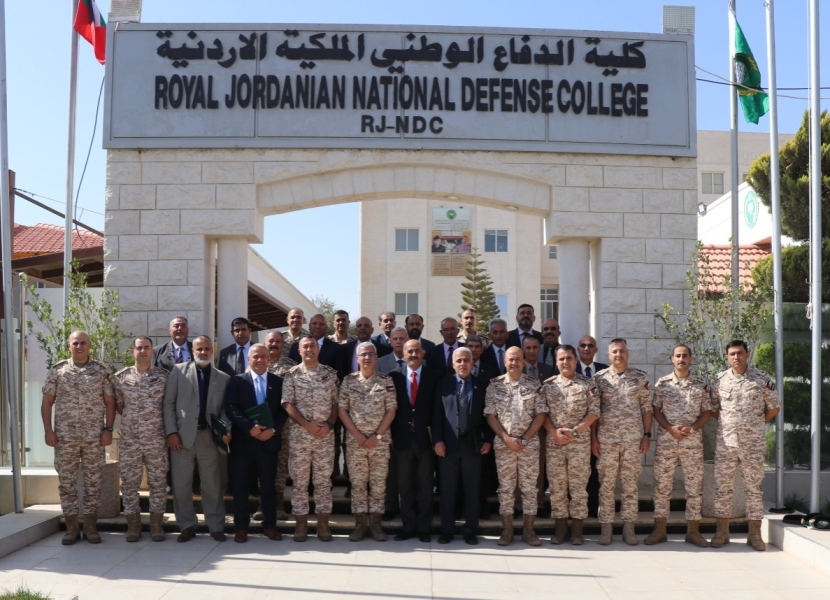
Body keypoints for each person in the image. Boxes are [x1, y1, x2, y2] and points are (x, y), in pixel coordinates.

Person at [41, 330, 115, 545]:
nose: (79, 346)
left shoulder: (101, 370)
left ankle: (90, 528)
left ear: (89, 345)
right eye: (75, 343)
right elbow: (47, 402)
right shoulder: (58, 370)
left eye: (83, 343)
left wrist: (108, 429)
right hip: (65, 439)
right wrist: (48, 430)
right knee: (67, 485)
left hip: (94, 438)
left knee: (94, 484)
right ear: (69, 346)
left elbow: (110, 401)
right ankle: (72, 528)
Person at [710, 340, 779, 551]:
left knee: (754, 489)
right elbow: (713, 409)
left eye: (740, 353)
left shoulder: (762, 379)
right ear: (727, 356)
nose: (736, 357)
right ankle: (722, 532)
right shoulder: (719, 380)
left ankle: (754, 534)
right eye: (732, 354)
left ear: (747, 354)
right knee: (723, 488)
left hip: (753, 444)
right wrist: (730, 425)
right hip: (727, 443)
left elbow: (774, 408)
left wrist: (755, 426)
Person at [163, 335, 231, 543]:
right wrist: (172, 432)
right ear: (193, 351)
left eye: (207, 349)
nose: (203, 352)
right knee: (181, 484)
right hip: (182, 437)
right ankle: (186, 525)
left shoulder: (223, 377)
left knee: (212, 484)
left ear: (213, 350)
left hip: (209, 438)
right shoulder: (178, 371)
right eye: (199, 349)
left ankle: (216, 526)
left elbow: (225, 409)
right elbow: (168, 403)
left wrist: (226, 428)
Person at [645, 344, 713, 547]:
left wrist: (692, 429)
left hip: (692, 442)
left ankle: (693, 531)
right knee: (662, 487)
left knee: (694, 488)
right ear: (672, 359)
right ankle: (660, 530)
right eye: (678, 356)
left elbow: (708, 411)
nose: (681, 359)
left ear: (690, 359)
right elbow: (656, 410)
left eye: (685, 356)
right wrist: (670, 428)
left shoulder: (700, 384)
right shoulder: (663, 383)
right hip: (667, 442)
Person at [591, 338, 652, 546]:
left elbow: (646, 409)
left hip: (632, 441)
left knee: (630, 486)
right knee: (606, 486)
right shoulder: (599, 378)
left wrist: (647, 435)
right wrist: (593, 438)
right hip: (606, 441)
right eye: (615, 351)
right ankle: (606, 528)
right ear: (608, 355)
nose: (619, 355)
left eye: (622, 351)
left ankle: (629, 528)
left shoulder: (640, 378)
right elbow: (595, 411)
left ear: (628, 353)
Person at [485, 346, 548, 547]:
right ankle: (507, 530)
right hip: (505, 446)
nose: (514, 363)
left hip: (528, 446)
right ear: (505, 362)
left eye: (518, 359)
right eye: (510, 359)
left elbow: (541, 413)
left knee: (530, 489)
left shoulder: (534, 384)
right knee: (506, 488)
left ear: (523, 361)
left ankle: (529, 531)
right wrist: (507, 439)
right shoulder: (494, 385)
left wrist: (525, 438)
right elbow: (490, 415)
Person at [225, 344, 288, 543]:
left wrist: (273, 430)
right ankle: (241, 527)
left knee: (268, 486)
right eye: (255, 357)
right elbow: (231, 407)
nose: (259, 360)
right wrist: (249, 427)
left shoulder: (278, 382)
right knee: (240, 486)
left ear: (269, 359)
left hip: (268, 442)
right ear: (249, 359)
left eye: (263, 356)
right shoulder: (237, 381)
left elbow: (284, 410)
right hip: (243, 442)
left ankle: (270, 526)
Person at [281, 336, 339, 541]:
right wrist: (307, 425)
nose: (309, 349)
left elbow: (336, 403)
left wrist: (330, 424)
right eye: (305, 346)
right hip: (300, 438)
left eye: (312, 346)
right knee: (300, 482)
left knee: (323, 482)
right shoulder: (291, 375)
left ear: (318, 349)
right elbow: (287, 404)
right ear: (299, 351)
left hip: (324, 436)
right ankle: (301, 525)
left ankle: (323, 525)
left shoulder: (330, 374)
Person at [112, 336, 169, 543]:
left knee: (158, 483)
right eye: (139, 348)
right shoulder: (121, 377)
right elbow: (119, 405)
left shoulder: (164, 377)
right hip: (130, 440)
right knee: (129, 483)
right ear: (132, 352)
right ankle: (133, 525)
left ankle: (156, 525)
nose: (143, 351)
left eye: (146, 347)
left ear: (152, 351)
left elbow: (168, 405)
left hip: (156, 439)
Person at [338, 342, 397, 541]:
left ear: (376, 357)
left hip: (379, 443)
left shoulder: (386, 381)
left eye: (371, 354)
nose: (367, 357)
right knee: (358, 485)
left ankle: (376, 525)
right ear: (357, 358)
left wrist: (376, 436)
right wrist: (358, 435)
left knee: (379, 484)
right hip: (356, 443)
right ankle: (360, 525)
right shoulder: (348, 381)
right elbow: (342, 410)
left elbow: (391, 410)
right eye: (363, 354)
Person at [433, 347, 492, 545]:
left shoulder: (482, 385)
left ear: (472, 362)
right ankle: (447, 529)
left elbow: (489, 416)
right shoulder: (444, 384)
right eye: (459, 360)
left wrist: (488, 440)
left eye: (466, 360)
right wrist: (438, 440)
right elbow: (437, 415)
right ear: (453, 364)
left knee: (471, 489)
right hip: (448, 444)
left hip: (472, 444)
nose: (463, 364)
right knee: (447, 489)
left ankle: (470, 529)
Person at [541, 345, 599, 545]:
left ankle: (577, 531)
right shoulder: (548, 385)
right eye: (561, 359)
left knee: (578, 488)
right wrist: (554, 432)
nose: (565, 362)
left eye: (569, 358)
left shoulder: (587, 384)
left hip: (579, 444)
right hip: (555, 443)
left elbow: (594, 412)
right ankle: (560, 530)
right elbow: (542, 413)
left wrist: (575, 431)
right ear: (556, 362)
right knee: (557, 487)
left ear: (575, 360)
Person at [389, 340, 440, 542]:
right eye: (410, 351)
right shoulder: (394, 376)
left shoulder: (434, 376)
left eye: (417, 350)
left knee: (425, 485)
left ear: (423, 352)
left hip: (425, 439)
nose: (413, 354)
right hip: (401, 439)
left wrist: (437, 438)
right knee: (405, 485)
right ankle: (408, 526)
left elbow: (437, 410)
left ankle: (424, 528)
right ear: (403, 353)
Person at [263, 330, 296, 520]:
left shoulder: (291, 367)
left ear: (283, 345)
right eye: (271, 341)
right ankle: (263, 504)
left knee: (281, 465)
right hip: (262, 424)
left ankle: (279, 504)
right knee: (261, 464)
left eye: (277, 341)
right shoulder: (257, 362)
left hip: (284, 424)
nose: (274, 344)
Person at [576, 334, 608, 518]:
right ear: (578, 349)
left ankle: (593, 509)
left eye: (590, 345)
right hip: (576, 431)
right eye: (583, 345)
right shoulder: (570, 369)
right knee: (577, 473)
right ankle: (577, 512)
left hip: (601, 430)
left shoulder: (604, 372)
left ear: (596, 349)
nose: (586, 348)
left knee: (596, 471)